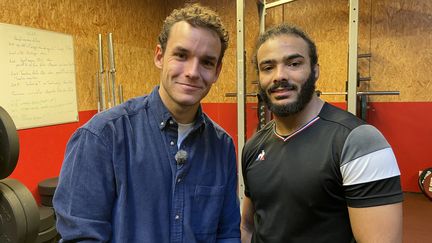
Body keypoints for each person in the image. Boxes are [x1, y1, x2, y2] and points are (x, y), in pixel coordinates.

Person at [53, 4, 240, 243]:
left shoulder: (222, 146)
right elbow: (81, 237)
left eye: (206, 62)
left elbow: (227, 234)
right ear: (159, 56)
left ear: (217, 71)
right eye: (181, 55)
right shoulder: (103, 137)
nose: (193, 72)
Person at [240, 23, 403, 243]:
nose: (279, 75)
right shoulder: (253, 147)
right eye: (268, 67)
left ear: (315, 70)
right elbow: (247, 226)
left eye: (294, 63)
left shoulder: (358, 141)